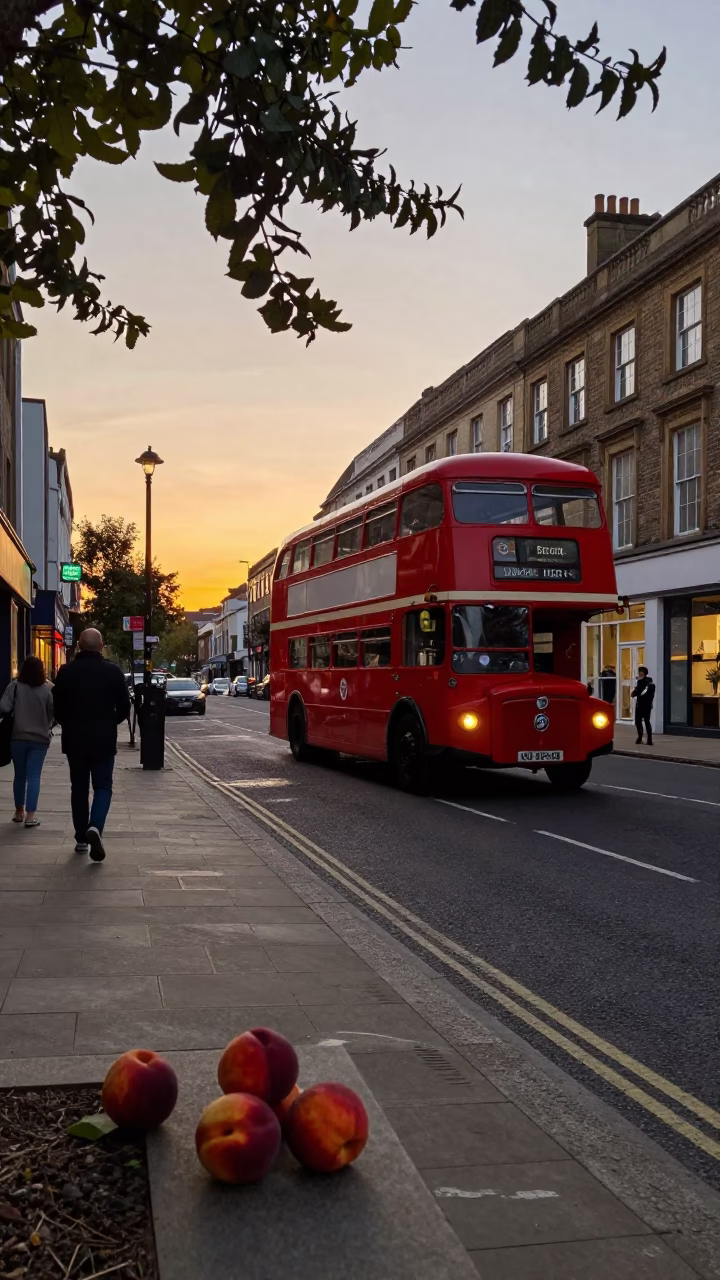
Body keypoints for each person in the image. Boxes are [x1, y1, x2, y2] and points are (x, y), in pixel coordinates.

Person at [52, 628, 130, 861]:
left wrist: (69, 724)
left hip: (75, 740)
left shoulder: (65, 672)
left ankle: (80, 839)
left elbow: (57, 709)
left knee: (79, 788)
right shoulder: (112, 672)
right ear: (101, 645)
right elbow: (125, 707)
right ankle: (95, 826)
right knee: (103, 787)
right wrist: (109, 722)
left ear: (78, 645)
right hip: (103, 739)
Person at [0, 655, 54, 828]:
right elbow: (53, 712)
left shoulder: (14, 687)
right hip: (40, 739)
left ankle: (18, 812)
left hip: (17, 737)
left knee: (20, 776)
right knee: (34, 776)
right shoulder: (48, 689)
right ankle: (31, 817)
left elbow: (3, 707)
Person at [631, 665, 655, 746]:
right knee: (638, 722)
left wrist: (636, 691)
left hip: (646, 705)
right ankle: (640, 737)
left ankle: (649, 740)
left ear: (644, 673)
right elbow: (634, 693)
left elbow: (643, 693)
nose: (639, 674)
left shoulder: (648, 682)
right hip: (639, 704)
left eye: (641, 672)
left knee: (646, 721)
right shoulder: (639, 682)